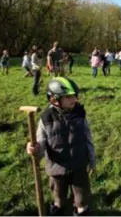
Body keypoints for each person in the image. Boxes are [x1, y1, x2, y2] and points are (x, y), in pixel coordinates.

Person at [26, 77, 96, 216]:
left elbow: (88, 138)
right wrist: (34, 149)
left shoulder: (79, 114)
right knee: (59, 200)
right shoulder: (46, 118)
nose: (74, 99)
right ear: (54, 99)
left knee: (82, 201)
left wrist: (92, 161)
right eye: (69, 97)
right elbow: (41, 141)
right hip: (57, 170)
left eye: (75, 96)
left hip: (79, 166)